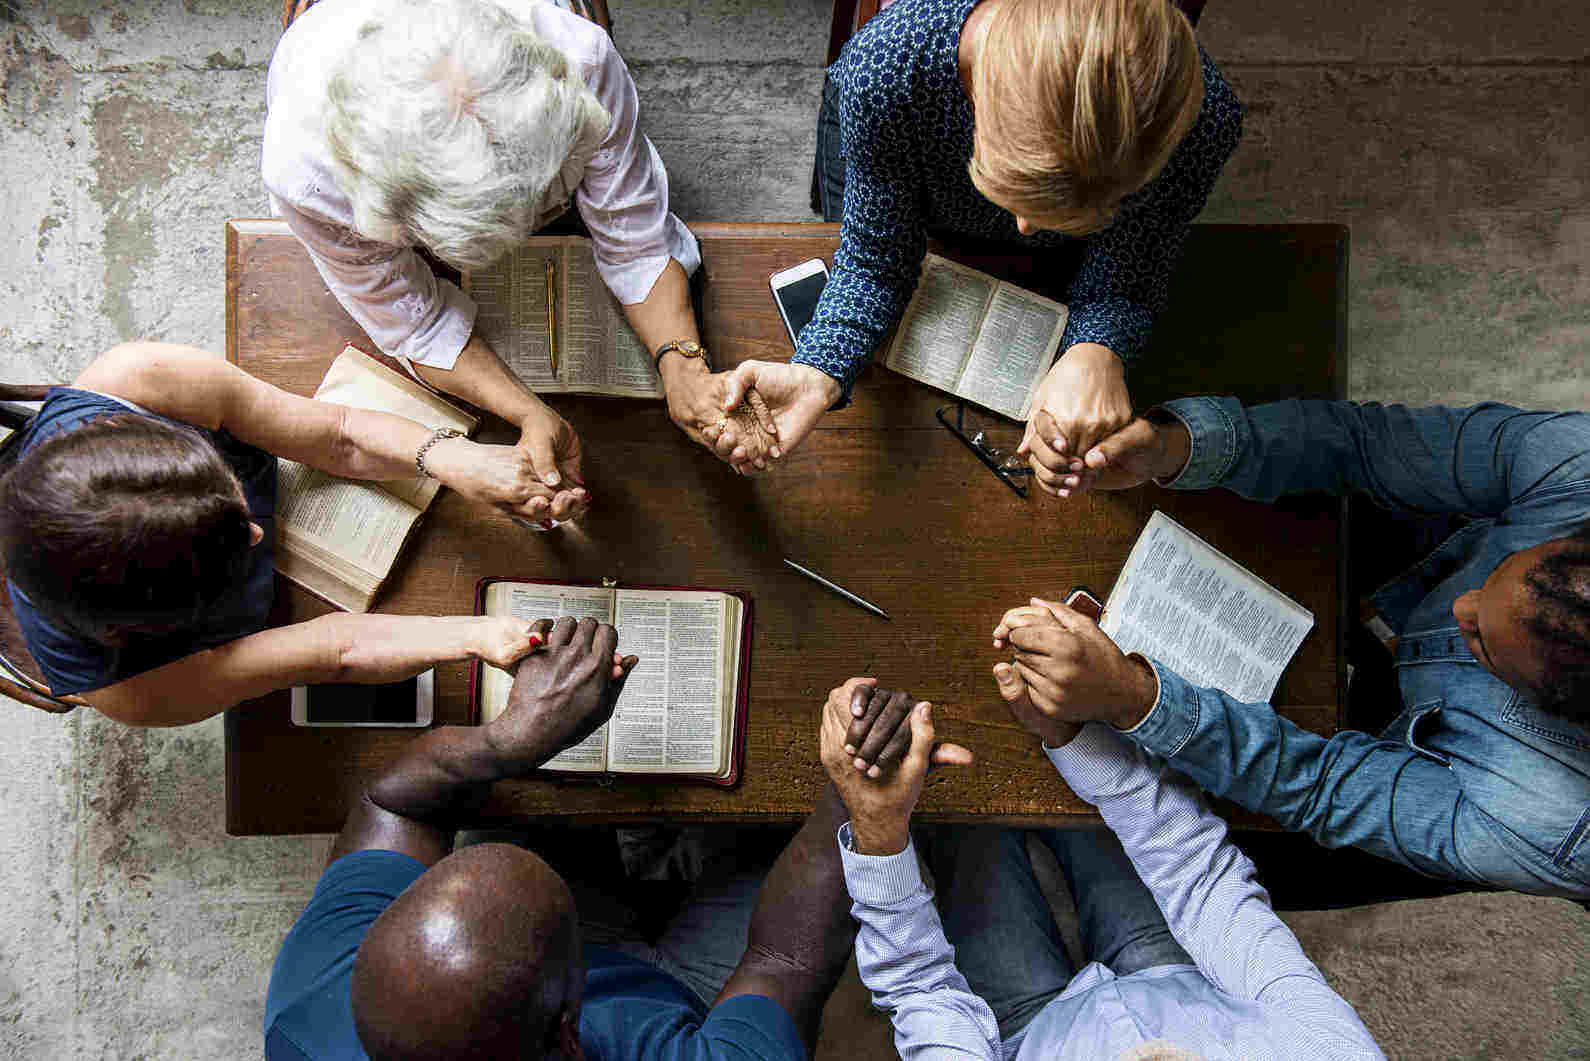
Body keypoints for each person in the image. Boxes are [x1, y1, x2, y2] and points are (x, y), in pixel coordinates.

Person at [994, 396, 1590, 899]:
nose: (1461, 607)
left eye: (1483, 644)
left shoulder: (1552, 823)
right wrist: (1176, 446)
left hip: (1403, 765)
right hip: (1389, 555)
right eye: (1494, 573)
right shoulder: (1578, 470)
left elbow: (1320, 786)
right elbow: (1366, 444)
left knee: (1219, 858)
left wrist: (1135, 699)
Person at [265, 615, 856, 1060]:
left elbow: (391, 804)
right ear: (570, 1033)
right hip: (696, 997)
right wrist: (855, 789)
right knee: (808, 834)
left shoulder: (316, 1003)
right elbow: (786, 960)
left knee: (531, 804)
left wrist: (508, 741)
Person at [726, 0, 1241, 476]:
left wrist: (1097, 348)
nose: (1025, 230)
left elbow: (1136, 259)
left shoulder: (1203, 121)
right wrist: (818, 371)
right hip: (900, 158)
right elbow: (877, 257)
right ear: (978, 99)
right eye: (1011, 185)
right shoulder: (887, 69)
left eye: (1084, 208)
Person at [266, 0, 774, 479]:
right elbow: (415, 322)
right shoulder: (305, 175)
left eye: (553, 194)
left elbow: (635, 235)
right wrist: (528, 413)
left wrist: (682, 363)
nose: (544, 217)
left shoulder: (579, 57)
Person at [0, 342, 581, 726]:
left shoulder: (135, 382)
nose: (256, 532)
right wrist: (478, 635)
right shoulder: (134, 690)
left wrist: (454, 459)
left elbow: (339, 434)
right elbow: (336, 651)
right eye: (229, 551)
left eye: (226, 488)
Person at [823, 675, 1384, 1059]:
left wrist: (879, 828)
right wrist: (1071, 735)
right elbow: (1203, 881)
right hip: (1177, 976)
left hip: (1025, 1031)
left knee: (959, 787)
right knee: (1075, 750)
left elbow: (921, 988)